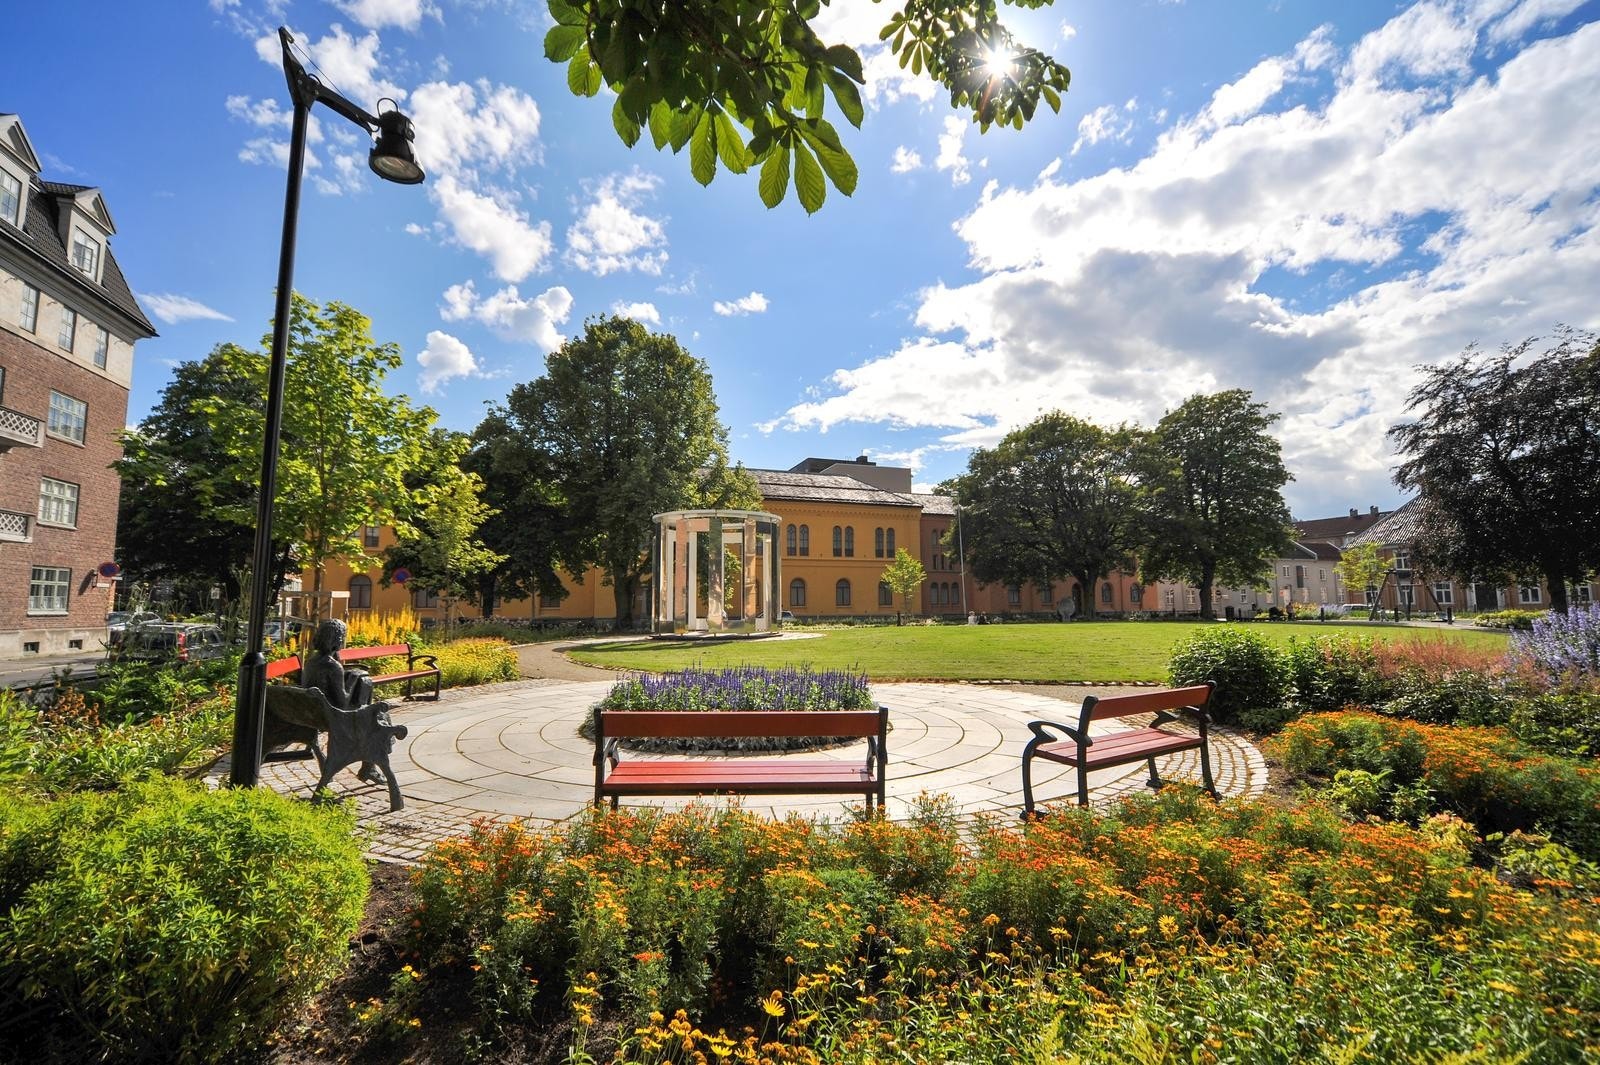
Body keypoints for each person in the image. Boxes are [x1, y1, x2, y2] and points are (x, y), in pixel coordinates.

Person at [304, 619, 372, 712]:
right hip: (331, 714)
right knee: (366, 681)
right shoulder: (333, 666)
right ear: (338, 640)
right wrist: (353, 677)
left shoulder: (310, 661)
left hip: (312, 710)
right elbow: (343, 703)